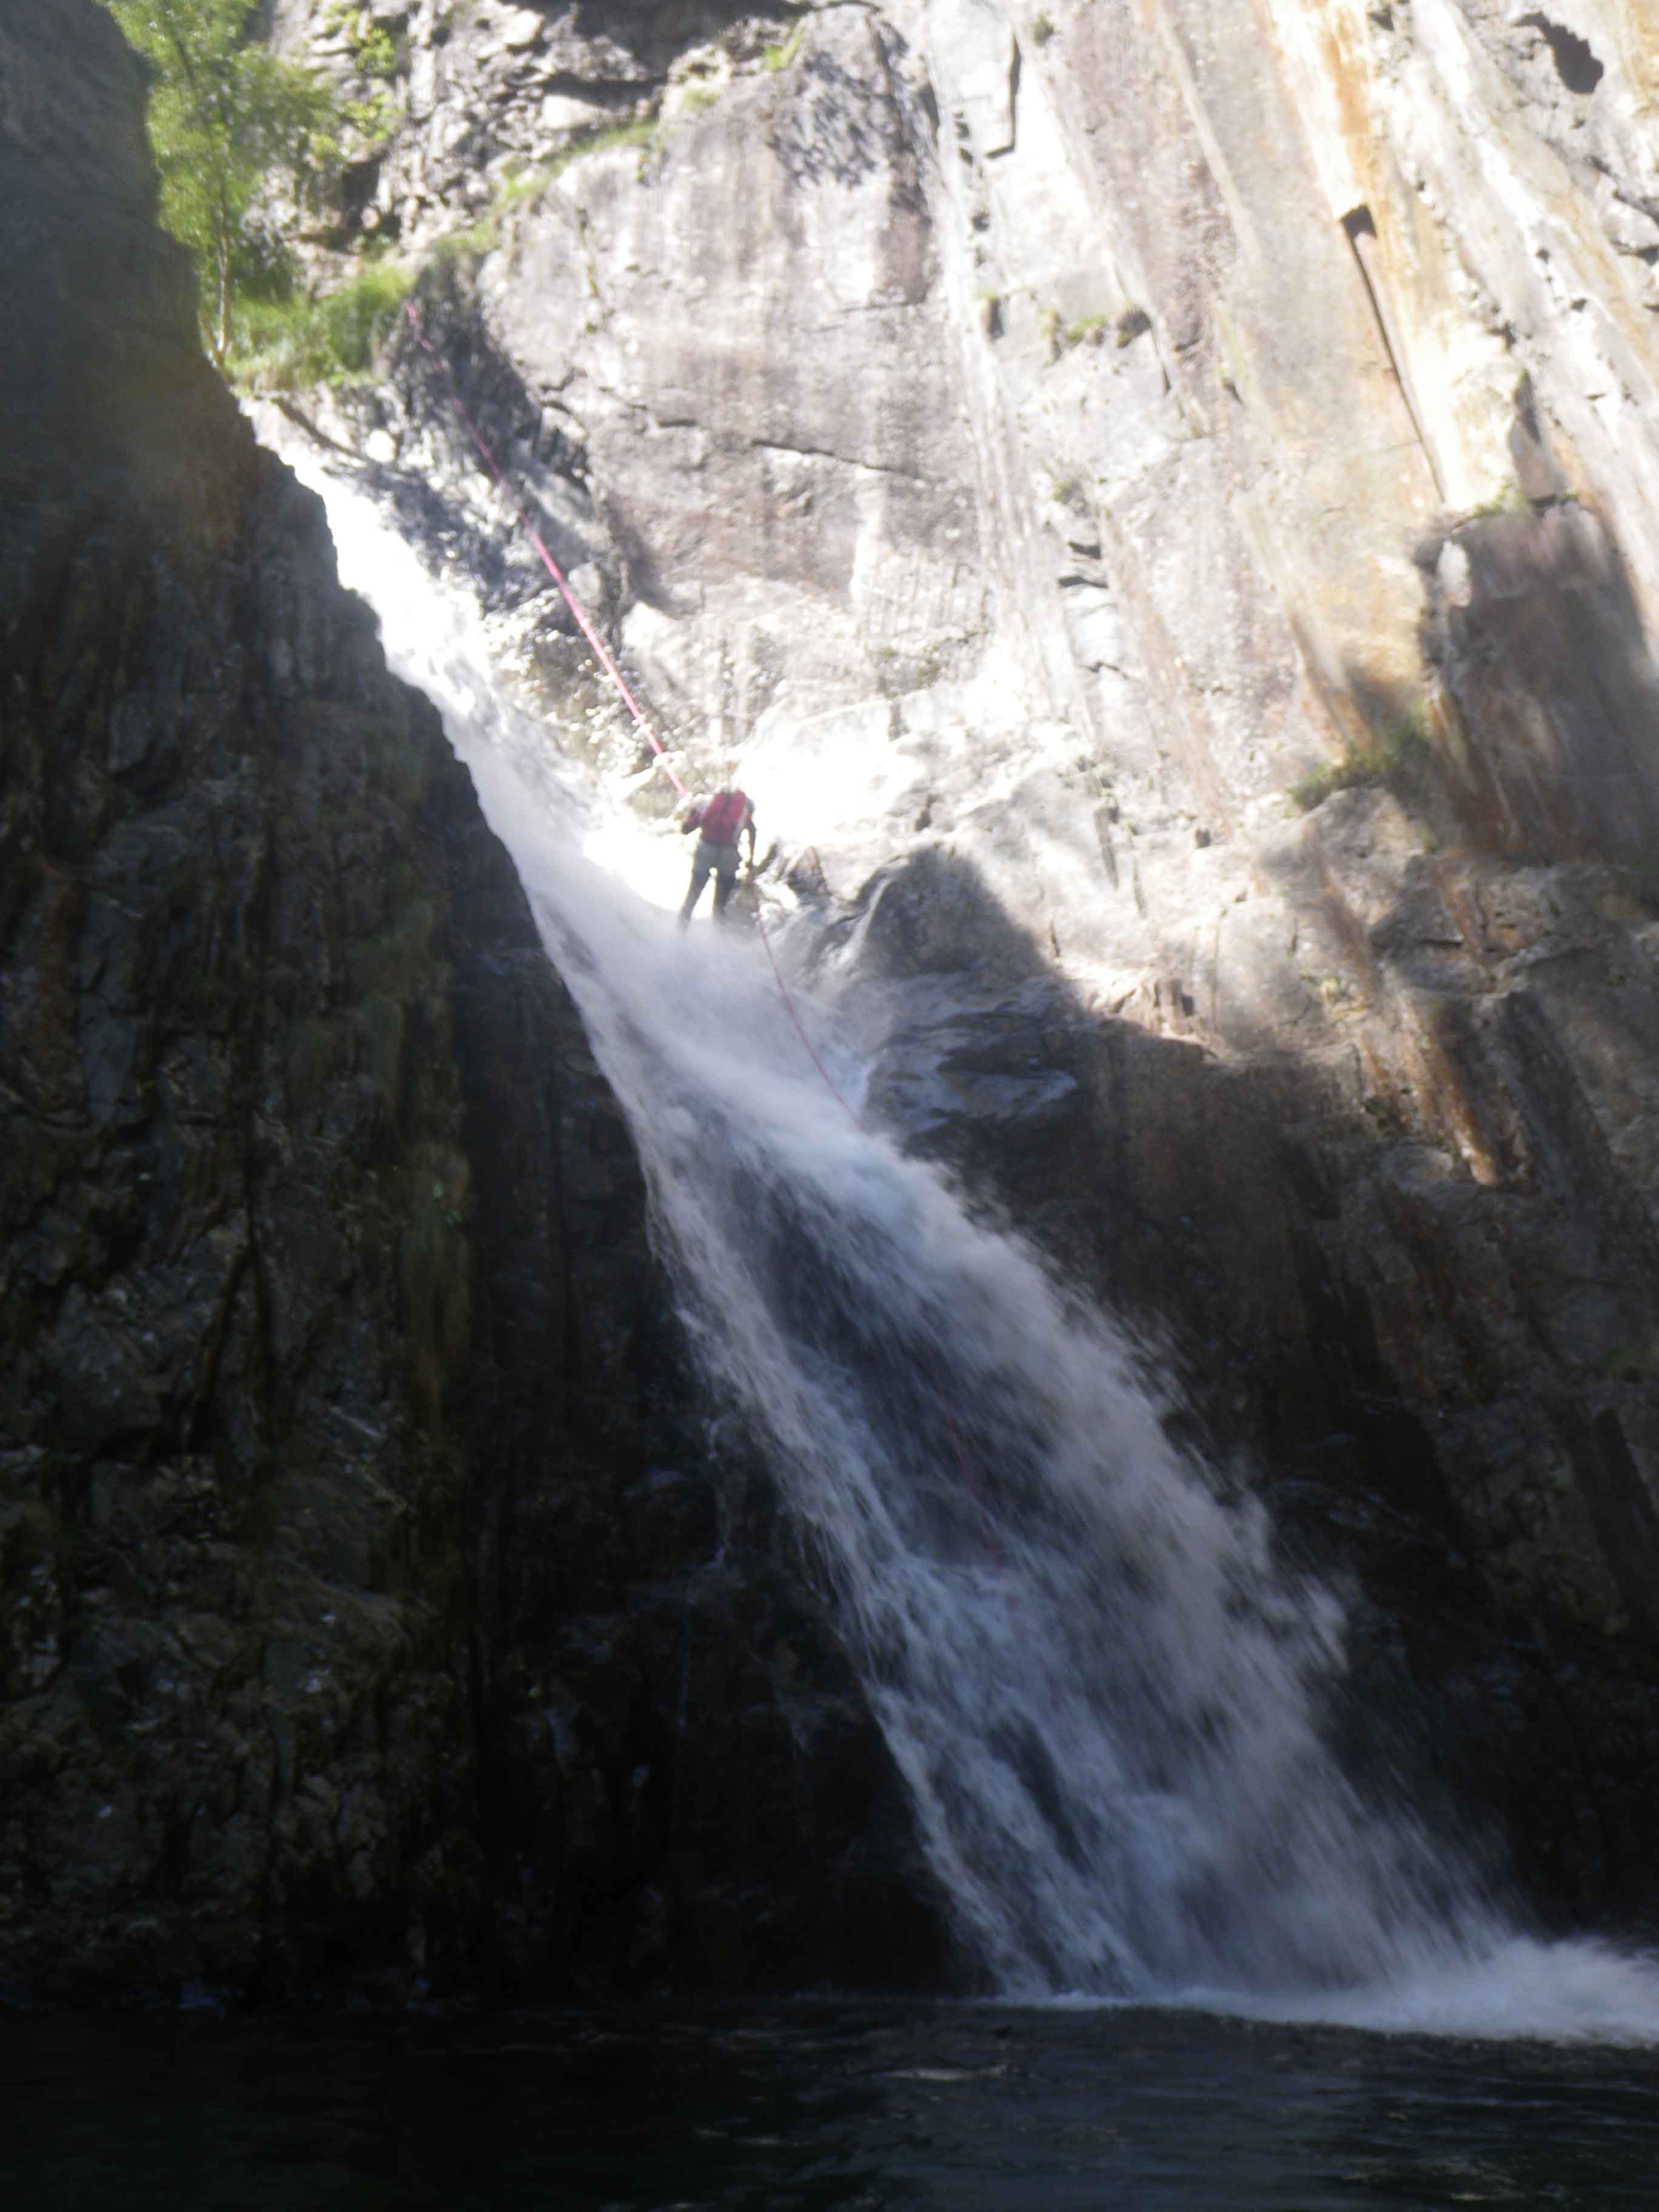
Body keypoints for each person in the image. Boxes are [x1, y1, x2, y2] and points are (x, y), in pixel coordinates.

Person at [678, 786, 756, 925]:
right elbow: (752, 830)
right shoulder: (744, 808)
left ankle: (679, 930)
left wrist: (691, 814)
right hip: (729, 854)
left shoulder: (709, 803)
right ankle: (719, 934)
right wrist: (750, 860)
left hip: (705, 849)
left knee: (692, 896)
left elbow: (686, 829)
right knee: (721, 903)